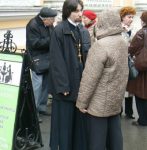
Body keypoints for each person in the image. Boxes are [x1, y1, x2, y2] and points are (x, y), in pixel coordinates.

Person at [76, 9, 129, 150]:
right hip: (116, 98)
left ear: (104, 23)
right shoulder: (122, 42)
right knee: (115, 136)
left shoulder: (100, 45)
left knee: (97, 140)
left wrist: (82, 102)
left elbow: (90, 78)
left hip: (99, 102)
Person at [49, 0, 91, 150]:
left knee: (79, 122)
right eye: (77, 11)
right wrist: (63, 85)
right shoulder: (59, 30)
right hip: (66, 86)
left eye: (81, 10)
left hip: (80, 83)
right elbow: (56, 60)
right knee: (65, 123)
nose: (81, 14)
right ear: (68, 11)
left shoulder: (82, 30)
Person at [26, 7, 57, 120]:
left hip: (48, 58)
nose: (54, 21)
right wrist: (51, 40)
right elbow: (34, 43)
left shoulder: (49, 24)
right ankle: (34, 112)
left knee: (45, 84)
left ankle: (42, 108)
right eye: (52, 19)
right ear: (45, 19)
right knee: (37, 86)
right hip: (37, 59)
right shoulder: (33, 25)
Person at [127, 11, 147, 126]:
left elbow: (132, 48)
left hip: (142, 67)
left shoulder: (142, 33)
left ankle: (143, 120)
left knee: (141, 93)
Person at [120, 6, 136, 119]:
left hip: (129, 61)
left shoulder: (132, 29)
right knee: (120, 87)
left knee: (129, 87)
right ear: (122, 17)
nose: (131, 19)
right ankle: (118, 111)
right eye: (129, 17)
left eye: (132, 17)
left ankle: (129, 112)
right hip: (119, 62)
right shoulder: (118, 28)